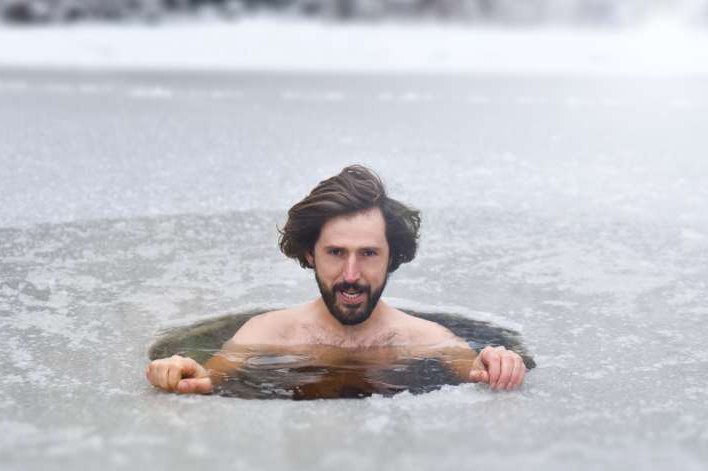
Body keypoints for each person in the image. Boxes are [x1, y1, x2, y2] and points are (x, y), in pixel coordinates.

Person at [146, 165, 527, 396]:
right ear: (310, 253)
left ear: (392, 256)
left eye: (368, 253)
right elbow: (208, 379)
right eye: (335, 253)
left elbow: (480, 374)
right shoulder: (267, 332)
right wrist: (181, 370)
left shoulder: (430, 340)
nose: (350, 275)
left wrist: (499, 362)